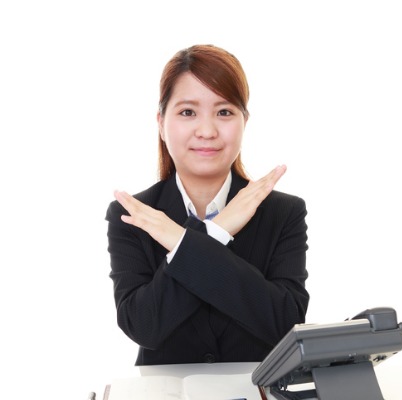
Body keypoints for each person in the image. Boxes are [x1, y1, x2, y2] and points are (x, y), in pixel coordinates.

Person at [105, 44, 310, 366]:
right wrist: (217, 231)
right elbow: (143, 325)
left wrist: (184, 243)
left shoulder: (283, 213)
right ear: (161, 123)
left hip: (254, 388)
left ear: (244, 121)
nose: (207, 131)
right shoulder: (133, 215)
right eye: (188, 112)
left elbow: (285, 323)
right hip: (165, 390)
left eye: (224, 112)